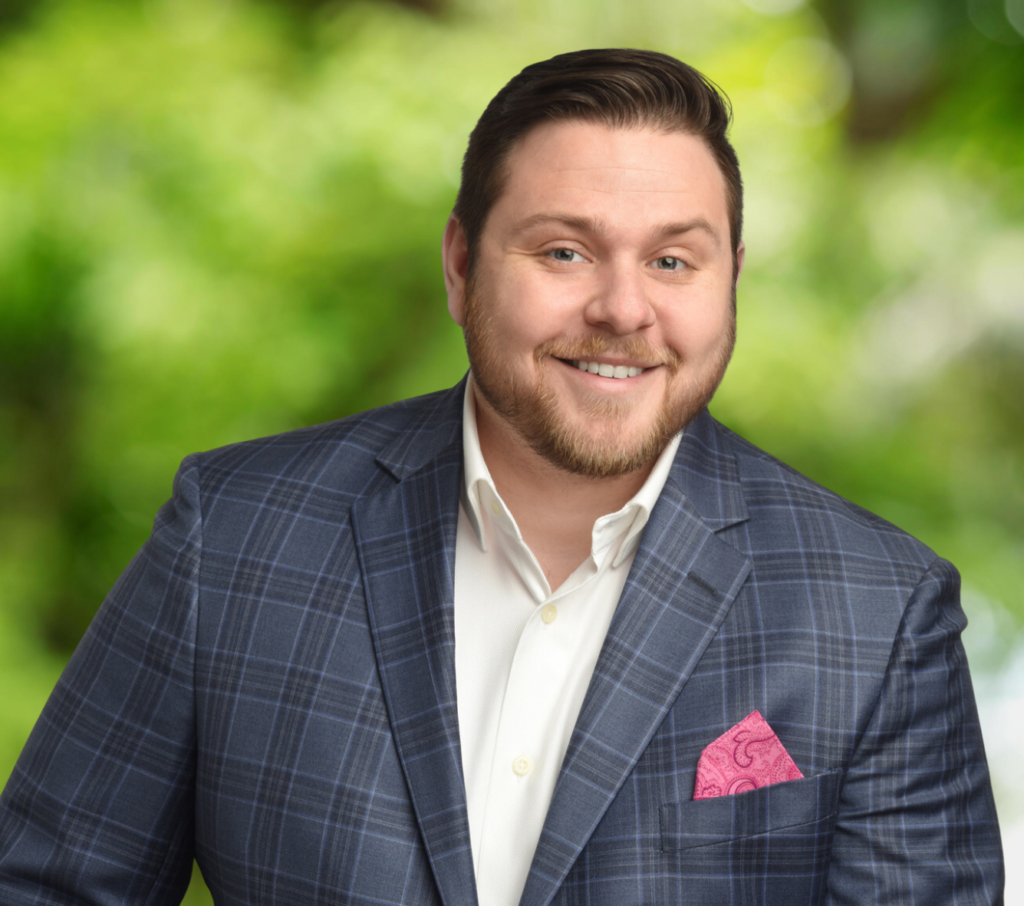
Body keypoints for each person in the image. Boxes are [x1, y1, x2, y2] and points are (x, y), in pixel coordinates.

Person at [0, 48, 1004, 906]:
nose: (623, 309)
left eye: (672, 262)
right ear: (459, 265)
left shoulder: (878, 615)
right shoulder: (234, 536)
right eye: (565, 251)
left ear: (730, 280)